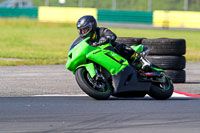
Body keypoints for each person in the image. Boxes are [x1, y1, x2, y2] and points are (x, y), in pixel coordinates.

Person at [76, 15, 150, 70]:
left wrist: (107, 38)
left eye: (85, 29)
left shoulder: (101, 30)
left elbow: (112, 35)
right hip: (101, 57)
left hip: (113, 51)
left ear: (91, 26)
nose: (83, 32)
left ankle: (142, 61)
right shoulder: (87, 40)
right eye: (81, 30)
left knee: (121, 46)